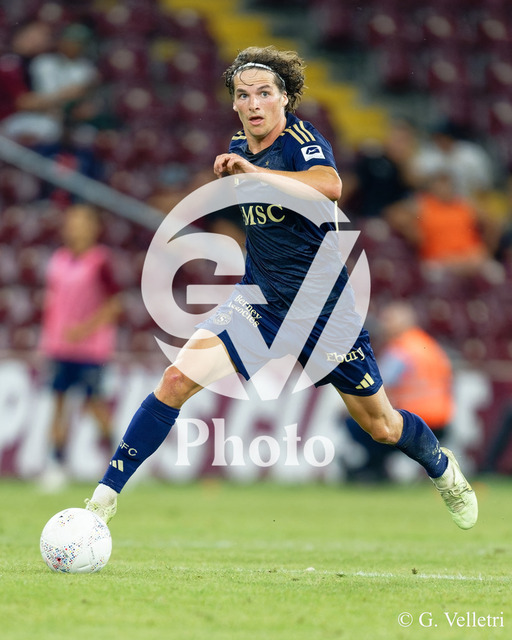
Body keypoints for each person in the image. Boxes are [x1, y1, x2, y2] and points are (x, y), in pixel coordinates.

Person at [85, 46, 477, 530]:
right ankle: (104, 497)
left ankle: (441, 466)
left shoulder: (300, 139)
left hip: (323, 313)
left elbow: (330, 185)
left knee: (381, 425)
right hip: (260, 303)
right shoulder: (239, 144)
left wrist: (256, 174)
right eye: (243, 95)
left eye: (264, 93)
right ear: (234, 103)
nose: (254, 104)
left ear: (285, 98)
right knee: (175, 380)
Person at [39, 204, 121, 489]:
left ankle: (120, 463)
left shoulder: (100, 261)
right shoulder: (58, 259)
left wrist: (85, 329)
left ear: (94, 228)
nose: (75, 228)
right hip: (58, 346)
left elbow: (114, 304)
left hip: (91, 349)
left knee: (95, 404)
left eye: (81, 222)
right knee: (58, 404)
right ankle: (56, 464)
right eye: (72, 222)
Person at [343, 301, 454, 482]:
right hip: (441, 422)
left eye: (388, 320)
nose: (383, 324)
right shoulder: (429, 345)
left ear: (403, 323)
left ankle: (375, 468)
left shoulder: (400, 350)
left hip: (414, 420)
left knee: (356, 422)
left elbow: (377, 386)